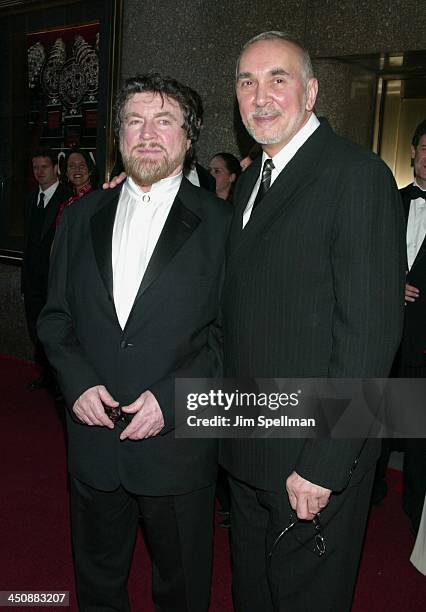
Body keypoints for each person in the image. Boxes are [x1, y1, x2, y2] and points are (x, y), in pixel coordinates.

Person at [219, 31, 406, 612]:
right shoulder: (251, 180)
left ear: (312, 91)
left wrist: (324, 462)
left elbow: (369, 335)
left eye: (278, 78)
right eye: (247, 82)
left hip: (312, 456)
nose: (261, 95)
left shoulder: (357, 176)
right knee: (253, 593)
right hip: (248, 442)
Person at [38, 73, 232, 612]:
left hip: (177, 445)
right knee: (96, 584)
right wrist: (74, 382)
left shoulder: (223, 224)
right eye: (134, 121)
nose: (148, 133)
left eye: (164, 121)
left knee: (183, 589)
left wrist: (175, 400)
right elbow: (55, 318)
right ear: (118, 137)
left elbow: (232, 336)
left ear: (188, 137)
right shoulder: (79, 217)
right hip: (93, 439)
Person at [395, 119, 426, 534]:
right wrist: (390, 285)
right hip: (381, 334)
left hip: (423, 343)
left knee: (419, 430)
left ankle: (417, 508)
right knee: (370, 421)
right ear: (414, 152)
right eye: (425, 147)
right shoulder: (387, 198)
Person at [22, 148, 70, 392]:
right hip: (31, 281)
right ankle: (45, 374)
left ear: (55, 169)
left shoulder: (67, 197)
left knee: (55, 332)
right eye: (35, 167)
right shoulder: (31, 200)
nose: (38, 172)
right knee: (35, 328)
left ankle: (60, 382)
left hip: (54, 281)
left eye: (43, 167)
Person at [55, 148, 98, 226]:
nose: (77, 169)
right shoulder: (65, 203)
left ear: (90, 170)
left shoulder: (97, 199)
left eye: (82, 165)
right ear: (66, 173)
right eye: (71, 166)